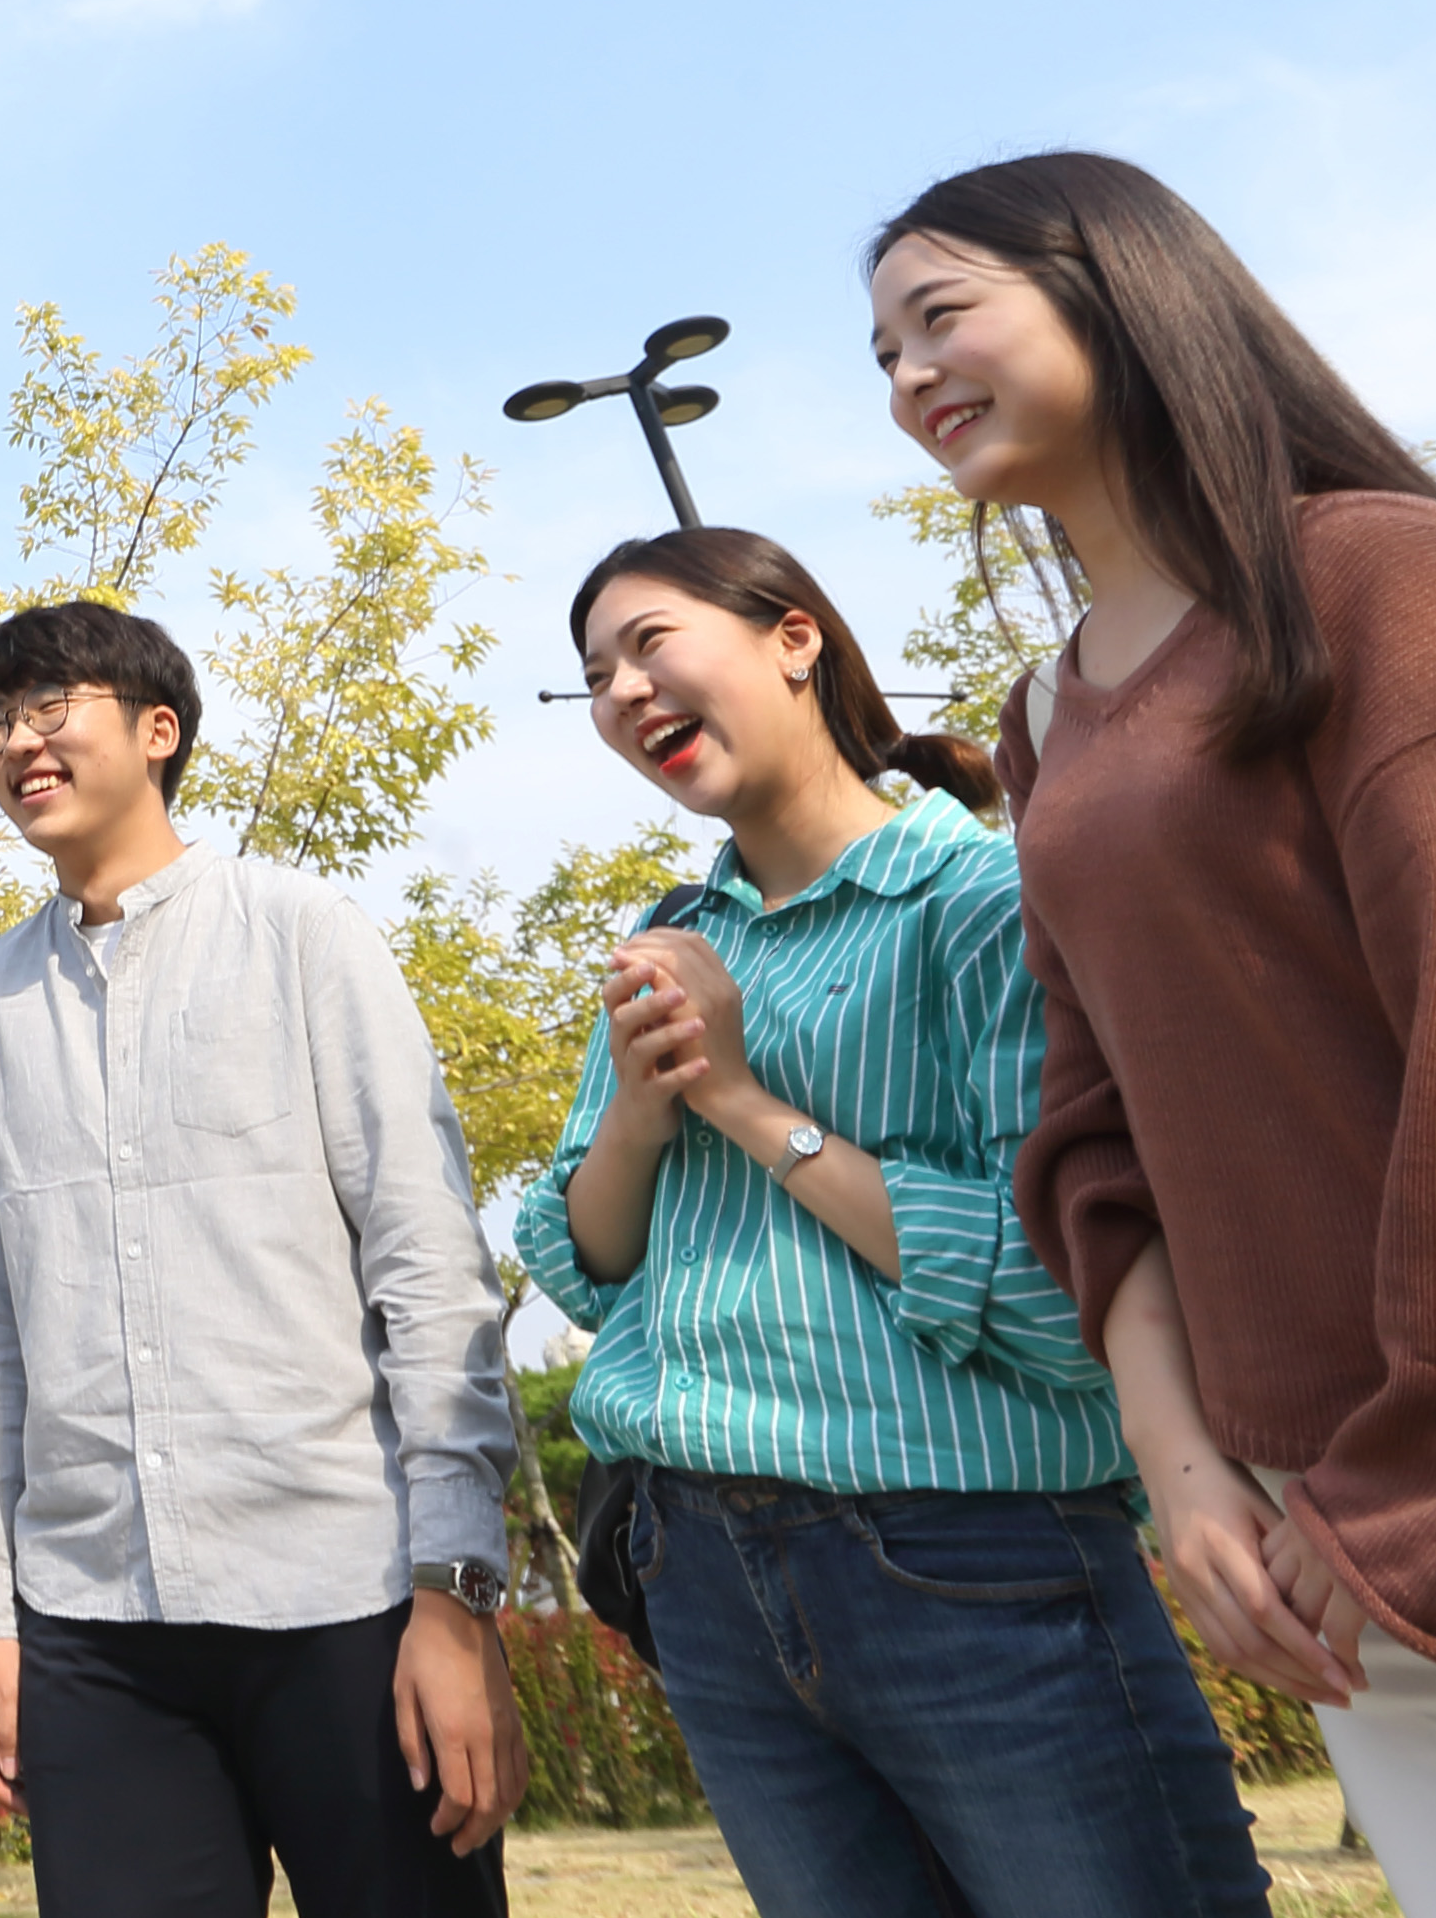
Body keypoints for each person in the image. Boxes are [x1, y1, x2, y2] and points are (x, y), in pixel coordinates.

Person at [869, 149, 1436, 1916]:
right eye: (880, 351)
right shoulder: (1042, 718)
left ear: (1122, 292)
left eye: (942, 314)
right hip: (1323, 1527)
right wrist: (1191, 1471)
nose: (907, 376)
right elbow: (1093, 1129)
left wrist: (1409, 1476)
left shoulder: (1376, 571)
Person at [511, 526, 1267, 1916]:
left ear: (796, 635)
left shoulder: (987, 902)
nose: (621, 690)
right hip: (697, 1563)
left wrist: (741, 1100)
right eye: (594, 674)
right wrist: (639, 1110)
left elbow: (1059, 1293)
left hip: (967, 1550)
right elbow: (586, 1258)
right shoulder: (676, 930)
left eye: (650, 641)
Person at [0, 597, 523, 1918]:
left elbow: (430, 1267)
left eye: (48, 706)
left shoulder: (301, 931)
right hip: (92, 1629)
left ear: (158, 730)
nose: (15, 740)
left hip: (347, 1593)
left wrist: (454, 1588)